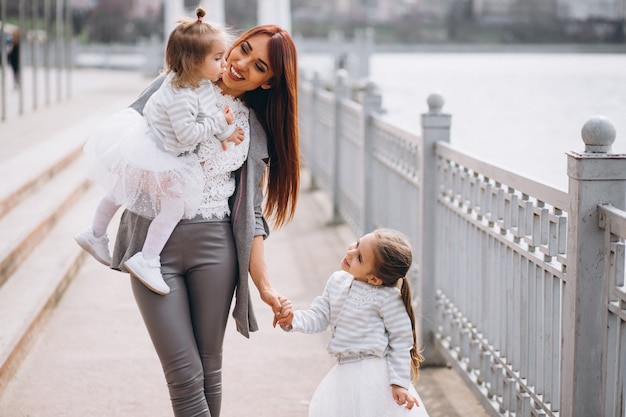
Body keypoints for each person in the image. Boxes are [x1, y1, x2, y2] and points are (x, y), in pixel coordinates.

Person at [108, 23, 300, 417]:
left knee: (209, 370)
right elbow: (122, 139)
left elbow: (252, 214)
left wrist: (264, 286)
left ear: (268, 82)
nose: (241, 62)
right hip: (152, 250)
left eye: (259, 65)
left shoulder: (253, 130)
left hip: (217, 250)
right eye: (243, 48)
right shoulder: (172, 85)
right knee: (183, 372)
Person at [74, 8, 244, 295]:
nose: (224, 63)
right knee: (174, 205)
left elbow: (207, 114)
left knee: (121, 190)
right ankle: (147, 259)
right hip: (158, 151)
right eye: (217, 59)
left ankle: (94, 233)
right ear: (193, 62)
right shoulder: (178, 95)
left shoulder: (197, 83)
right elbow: (189, 133)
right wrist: (220, 123)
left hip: (156, 147)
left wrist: (226, 132)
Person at [277, 228, 430, 417]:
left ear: (374, 279)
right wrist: (293, 319)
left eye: (359, 257)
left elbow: (401, 341)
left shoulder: (388, 298)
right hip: (343, 375)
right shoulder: (337, 281)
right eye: (357, 244)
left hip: (374, 376)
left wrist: (399, 383)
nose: (350, 252)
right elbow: (320, 315)